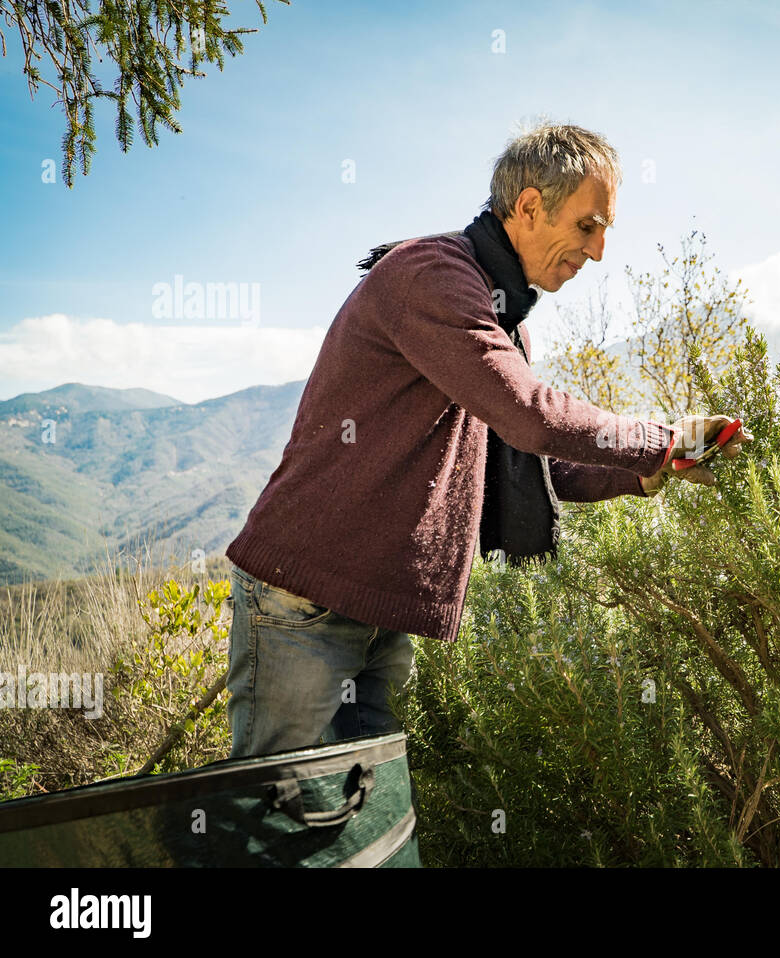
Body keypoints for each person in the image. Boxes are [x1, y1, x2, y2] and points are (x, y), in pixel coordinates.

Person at [223, 122, 750, 758]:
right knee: (275, 818)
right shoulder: (430, 275)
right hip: (302, 603)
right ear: (530, 207)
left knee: (359, 824)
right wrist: (658, 441)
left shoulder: (498, 318)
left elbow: (530, 457)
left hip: (373, 612)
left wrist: (647, 470)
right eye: (588, 225)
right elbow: (531, 415)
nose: (601, 250)